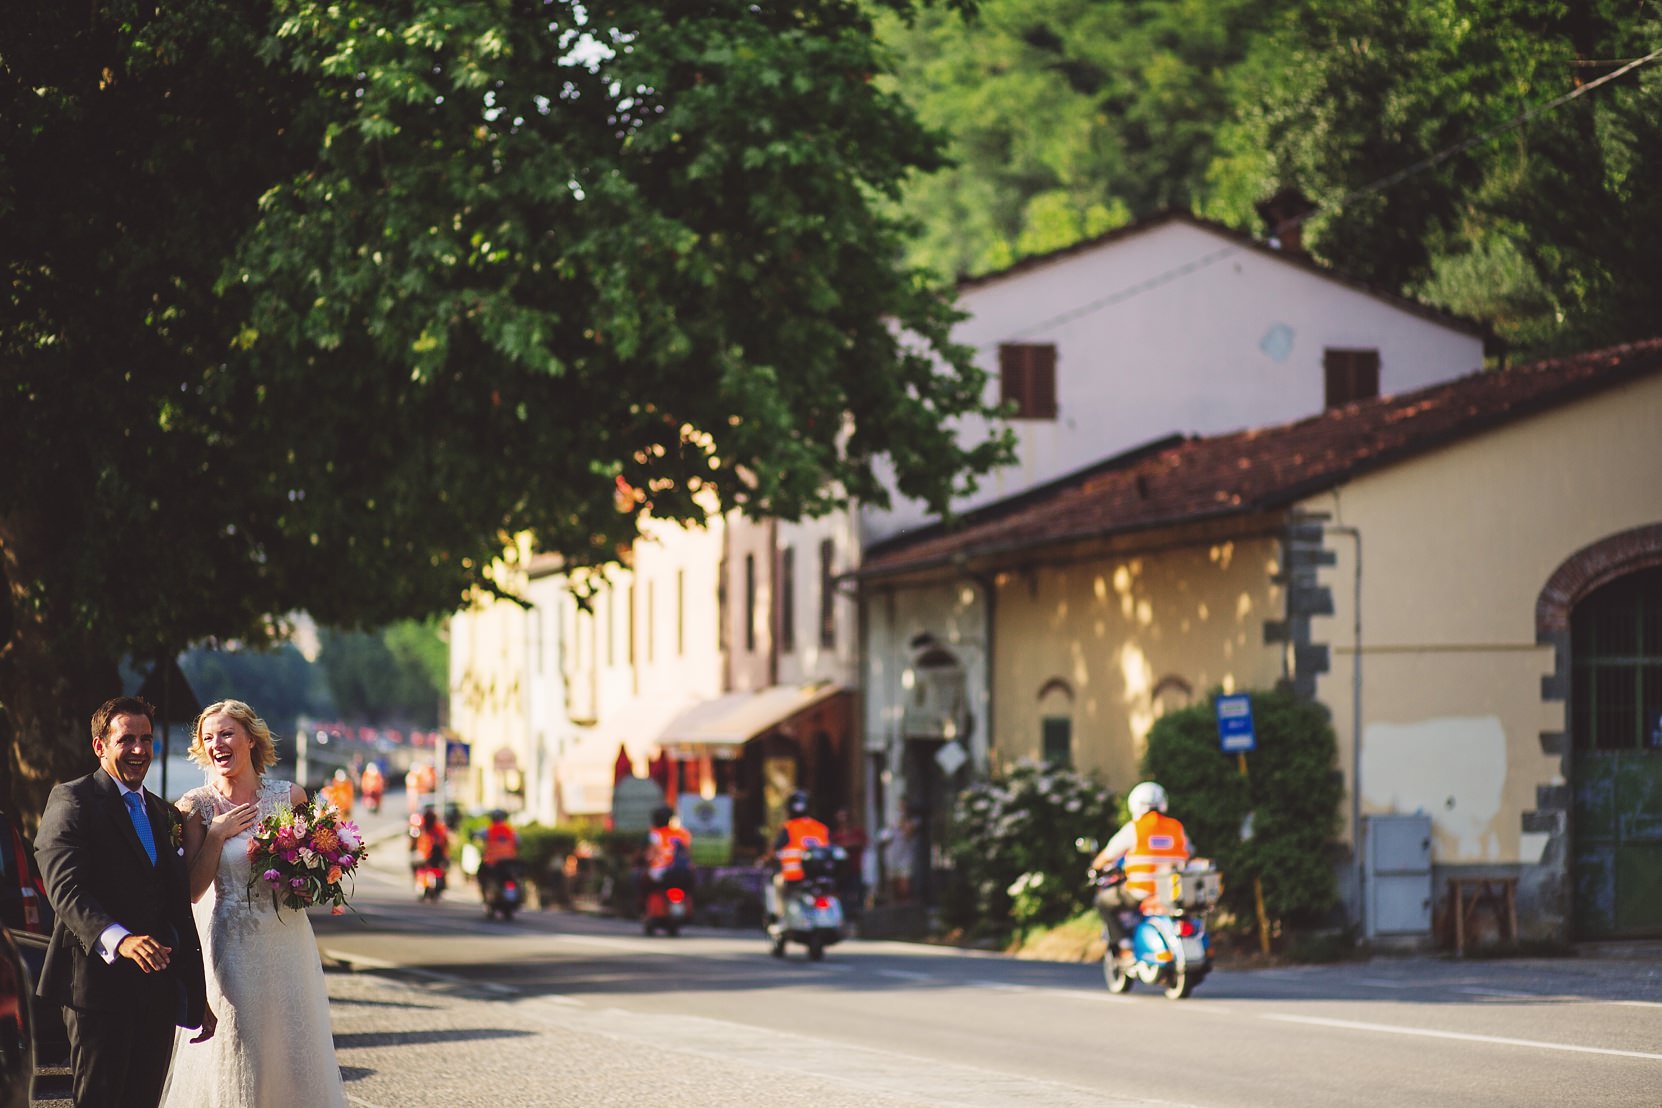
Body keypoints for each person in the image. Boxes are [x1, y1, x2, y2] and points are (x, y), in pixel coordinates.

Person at [161, 699, 348, 1106]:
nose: (217, 744)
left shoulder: (289, 796)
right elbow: (191, 890)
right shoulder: (196, 806)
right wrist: (216, 835)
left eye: (226, 733)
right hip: (232, 945)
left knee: (292, 1050)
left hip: (287, 943)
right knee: (240, 1048)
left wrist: (307, 886)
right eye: (208, 738)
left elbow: (310, 868)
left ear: (250, 739)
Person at [34, 696, 214, 1108]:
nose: (139, 750)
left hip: (158, 994)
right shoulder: (72, 800)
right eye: (127, 739)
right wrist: (121, 939)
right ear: (100, 746)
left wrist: (194, 989)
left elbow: (175, 906)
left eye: (147, 739)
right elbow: (65, 888)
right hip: (97, 991)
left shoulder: (163, 812)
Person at [1090, 780, 1192, 963]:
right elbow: (1190, 852)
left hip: (1142, 891)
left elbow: (1107, 855)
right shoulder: (1176, 827)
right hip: (1173, 891)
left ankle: (1125, 946)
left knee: (1103, 902)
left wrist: (1094, 867)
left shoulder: (1135, 828)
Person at [761, 791, 828, 922]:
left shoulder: (789, 827)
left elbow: (774, 850)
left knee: (774, 884)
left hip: (793, 875)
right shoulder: (820, 828)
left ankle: (777, 917)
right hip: (819, 876)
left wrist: (765, 859)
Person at [829, 808, 868, 917]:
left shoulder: (856, 832)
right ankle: (845, 915)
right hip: (842, 871)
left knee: (858, 892)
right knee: (844, 894)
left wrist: (846, 845)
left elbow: (862, 843)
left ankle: (859, 914)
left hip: (855, 868)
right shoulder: (836, 835)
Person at [882, 811, 919, 904]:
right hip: (892, 862)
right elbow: (883, 840)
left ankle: (907, 907)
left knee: (905, 888)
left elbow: (910, 832)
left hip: (905, 862)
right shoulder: (892, 831)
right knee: (893, 889)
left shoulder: (911, 829)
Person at [477, 809, 520, 888]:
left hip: (493, 861)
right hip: (510, 860)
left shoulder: (489, 829)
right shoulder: (510, 829)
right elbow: (518, 841)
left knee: (482, 873)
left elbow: (477, 835)